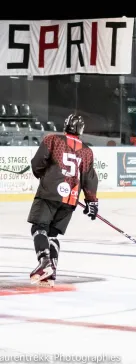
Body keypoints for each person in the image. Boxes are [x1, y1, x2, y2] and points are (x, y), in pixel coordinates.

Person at [28, 114, 99, 286]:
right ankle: (51, 272)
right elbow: (89, 178)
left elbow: (37, 163)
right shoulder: (87, 151)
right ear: (81, 130)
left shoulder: (52, 139)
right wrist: (92, 201)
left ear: (65, 125)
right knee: (52, 234)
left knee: (39, 228)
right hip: (70, 198)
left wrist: (44, 177)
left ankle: (45, 262)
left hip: (49, 193)